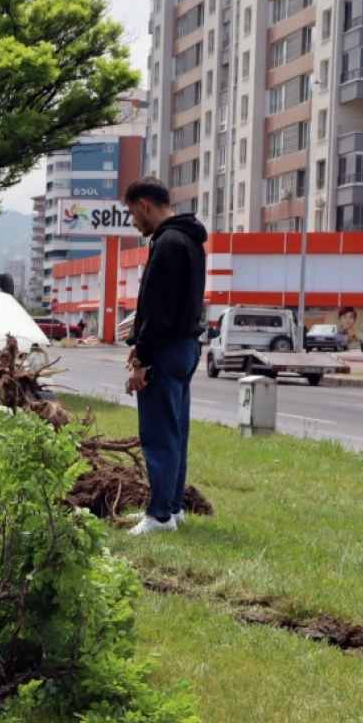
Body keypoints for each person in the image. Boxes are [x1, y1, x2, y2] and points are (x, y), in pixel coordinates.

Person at [121, 178, 208, 536]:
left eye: (131, 214)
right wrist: (136, 342)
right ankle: (172, 508)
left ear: (144, 205)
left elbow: (158, 313)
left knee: (159, 434)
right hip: (185, 347)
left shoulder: (168, 243)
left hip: (167, 349)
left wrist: (142, 359)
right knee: (176, 432)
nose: (133, 223)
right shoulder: (189, 239)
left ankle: (158, 517)